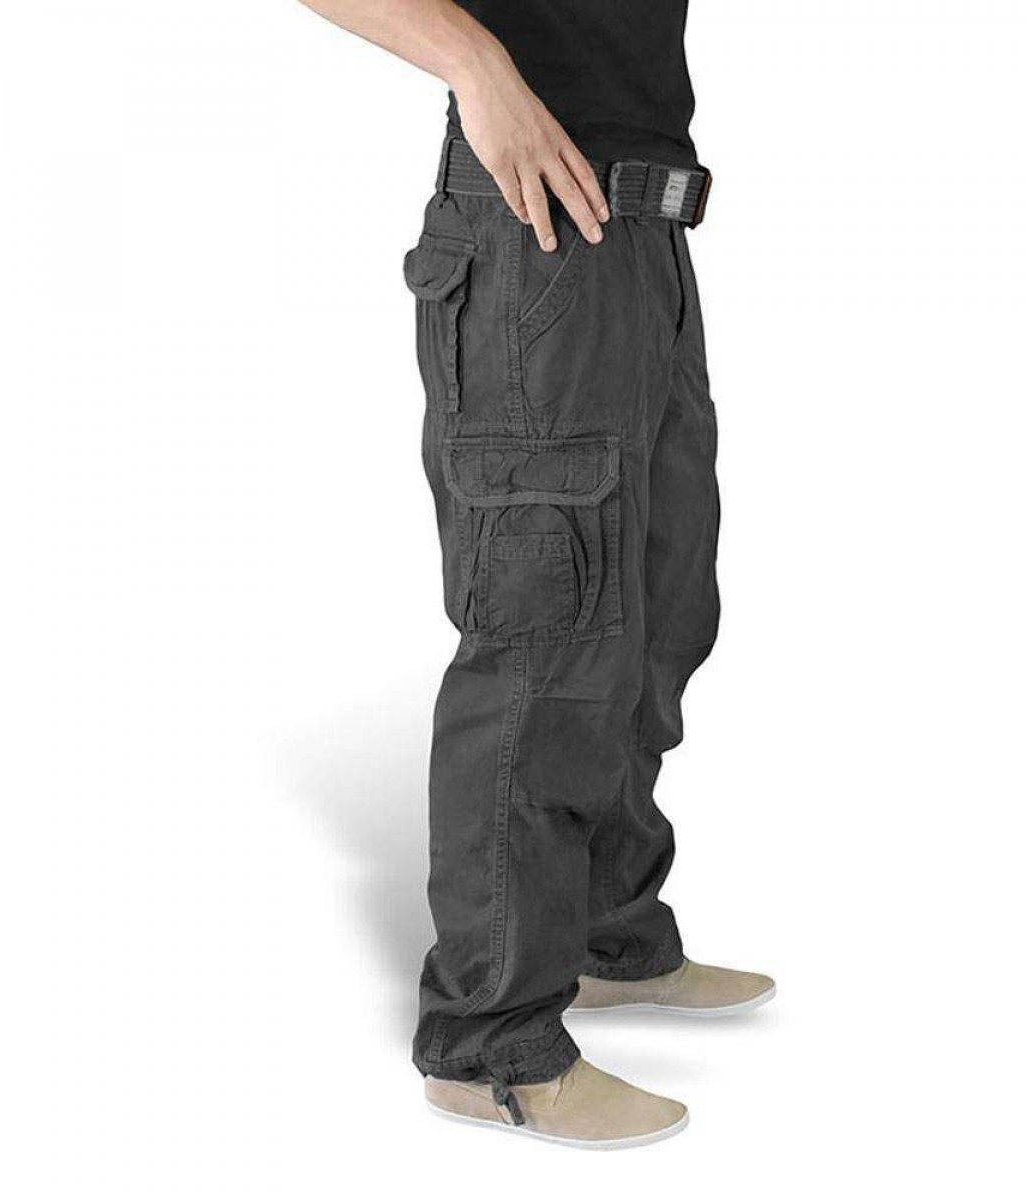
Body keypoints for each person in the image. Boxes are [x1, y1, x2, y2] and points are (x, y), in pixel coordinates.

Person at [297, 0, 775, 1149]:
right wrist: (477, 65)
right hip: (535, 225)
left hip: (644, 234)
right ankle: (490, 1042)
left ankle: (608, 931)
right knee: (544, 635)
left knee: (660, 609)